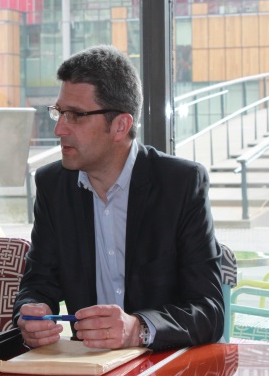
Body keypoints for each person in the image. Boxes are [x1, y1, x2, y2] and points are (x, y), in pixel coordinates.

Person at [13, 45, 224, 350]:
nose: (59, 128)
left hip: (164, 364)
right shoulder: (53, 186)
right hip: (90, 365)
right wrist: (32, 313)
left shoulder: (180, 184)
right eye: (59, 112)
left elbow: (209, 310)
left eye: (75, 116)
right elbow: (37, 283)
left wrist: (138, 329)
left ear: (120, 126)